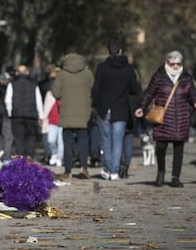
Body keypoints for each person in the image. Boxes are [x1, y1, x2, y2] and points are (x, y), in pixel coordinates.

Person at [135, 51, 196, 187]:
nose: (175, 66)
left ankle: (175, 177)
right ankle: (161, 172)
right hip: (163, 118)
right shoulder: (159, 76)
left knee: (178, 147)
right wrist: (141, 107)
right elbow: (149, 93)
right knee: (161, 147)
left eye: (178, 64)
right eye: (172, 64)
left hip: (180, 118)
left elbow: (192, 95)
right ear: (167, 63)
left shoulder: (186, 78)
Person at [92, 39, 140, 181]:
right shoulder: (129, 69)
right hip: (121, 108)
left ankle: (107, 168)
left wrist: (95, 104)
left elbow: (96, 89)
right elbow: (134, 89)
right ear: (121, 51)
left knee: (106, 140)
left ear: (108, 52)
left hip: (103, 108)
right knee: (118, 140)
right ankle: (114, 171)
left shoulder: (101, 68)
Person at [52, 53, 94, 179]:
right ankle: (84, 168)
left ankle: (68, 171)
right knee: (83, 142)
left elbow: (56, 93)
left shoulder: (62, 74)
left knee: (68, 143)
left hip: (66, 114)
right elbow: (93, 89)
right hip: (84, 114)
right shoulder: (88, 74)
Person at [5, 65, 43, 159]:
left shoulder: (12, 84)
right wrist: (40, 116)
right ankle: (29, 156)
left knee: (18, 138)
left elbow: (8, 101)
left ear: (17, 73)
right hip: (31, 115)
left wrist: (10, 113)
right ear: (27, 72)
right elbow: (39, 101)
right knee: (31, 136)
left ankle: (21, 156)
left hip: (17, 115)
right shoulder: (34, 85)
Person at [0, 72, 13, 160]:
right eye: (6, 80)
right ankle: (6, 157)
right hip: (4, 116)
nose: (8, 82)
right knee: (7, 137)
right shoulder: (0, 91)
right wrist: (3, 114)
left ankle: (2, 155)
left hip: (1, 116)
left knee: (3, 137)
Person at [41, 90, 63, 167]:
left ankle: (59, 158)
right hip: (52, 122)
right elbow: (46, 107)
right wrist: (43, 118)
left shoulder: (65, 94)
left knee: (61, 142)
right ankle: (54, 153)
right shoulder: (50, 94)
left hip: (62, 122)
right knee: (51, 140)